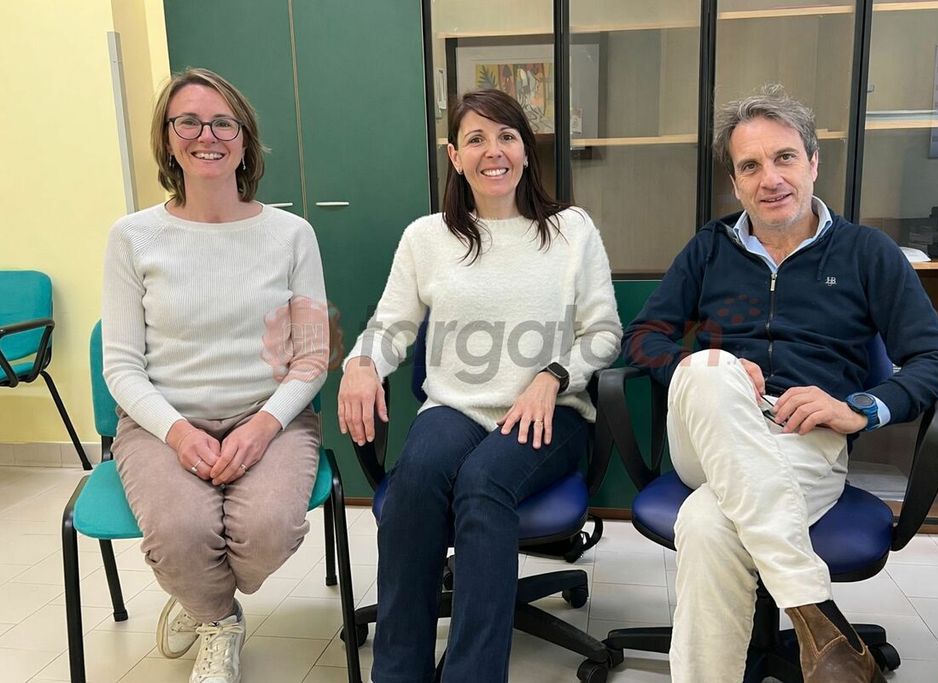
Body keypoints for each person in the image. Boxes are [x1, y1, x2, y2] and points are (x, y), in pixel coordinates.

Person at [622, 84, 938, 683]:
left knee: (706, 523)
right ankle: (812, 607)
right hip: (708, 431)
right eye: (750, 166)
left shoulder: (866, 253)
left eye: (784, 157)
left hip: (804, 440)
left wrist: (861, 408)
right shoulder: (709, 248)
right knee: (709, 369)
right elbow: (644, 335)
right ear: (736, 183)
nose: (770, 179)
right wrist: (703, 368)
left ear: (813, 162)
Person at [337, 88, 621, 682]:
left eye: (507, 137)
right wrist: (361, 364)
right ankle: (399, 674)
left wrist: (553, 376)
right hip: (456, 409)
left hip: (551, 411)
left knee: (484, 482)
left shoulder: (571, 230)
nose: (494, 152)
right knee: (413, 485)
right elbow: (390, 326)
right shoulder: (426, 238)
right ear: (455, 156)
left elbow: (604, 333)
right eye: (476, 139)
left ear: (526, 150)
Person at [102, 68, 329, 683]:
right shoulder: (132, 237)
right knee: (180, 532)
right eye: (189, 122)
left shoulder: (291, 235)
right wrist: (177, 433)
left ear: (245, 139)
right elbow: (121, 365)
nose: (207, 136)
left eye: (223, 123)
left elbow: (312, 358)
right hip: (163, 419)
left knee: (267, 530)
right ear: (167, 139)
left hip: (269, 414)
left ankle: (199, 596)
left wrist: (264, 425)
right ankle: (218, 619)